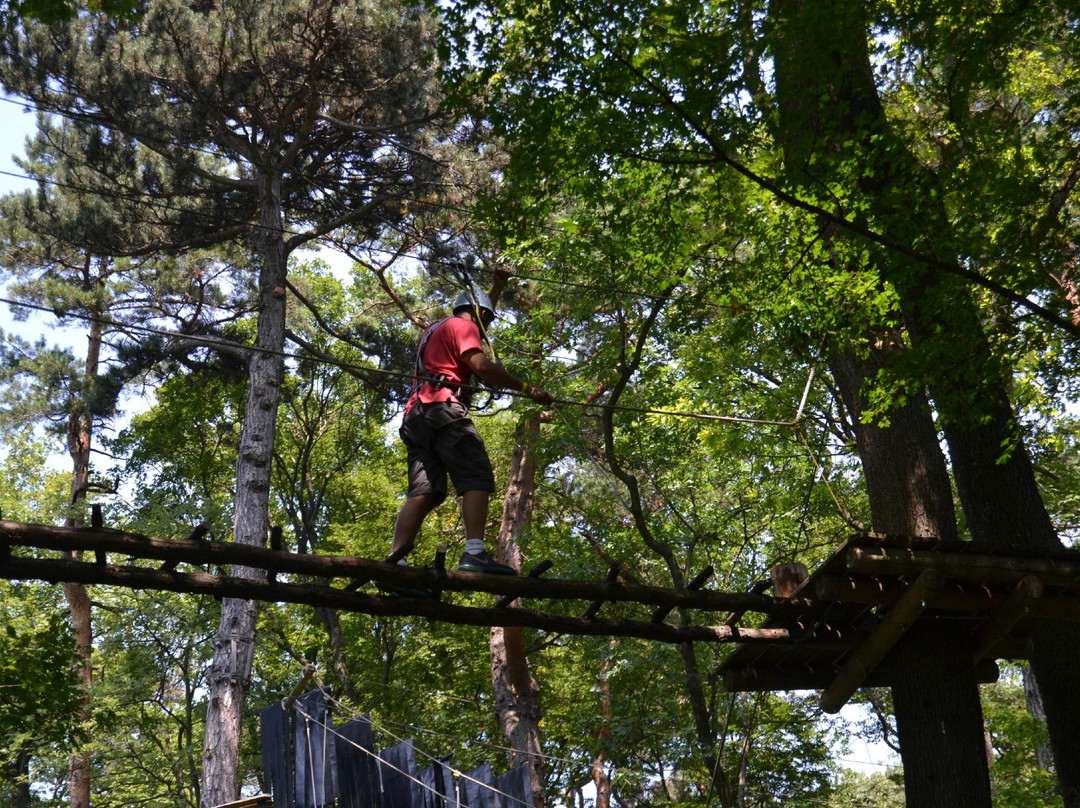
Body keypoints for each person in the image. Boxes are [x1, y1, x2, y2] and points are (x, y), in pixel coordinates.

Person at [388, 276, 554, 582]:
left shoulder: (434, 329)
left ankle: (395, 562)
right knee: (476, 474)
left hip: (416, 416)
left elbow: (474, 327)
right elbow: (482, 366)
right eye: (487, 322)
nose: (485, 331)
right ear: (482, 315)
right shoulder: (465, 326)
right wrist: (527, 388)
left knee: (426, 491)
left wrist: (497, 286)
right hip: (442, 408)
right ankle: (474, 552)